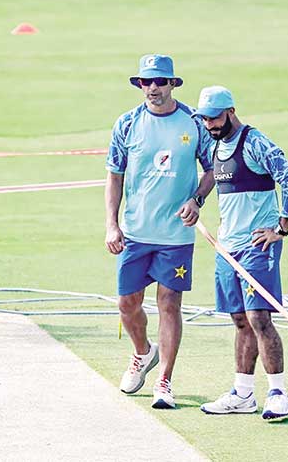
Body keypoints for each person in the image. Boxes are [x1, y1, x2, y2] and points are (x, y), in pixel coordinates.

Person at [105, 54, 215, 409]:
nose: (153, 88)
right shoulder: (126, 124)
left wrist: (197, 200)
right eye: (146, 82)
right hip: (136, 233)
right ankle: (142, 353)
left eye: (160, 82)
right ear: (140, 85)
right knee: (127, 304)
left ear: (172, 84)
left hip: (176, 236)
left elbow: (212, 169)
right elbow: (115, 175)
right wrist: (112, 223)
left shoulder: (194, 124)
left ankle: (164, 382)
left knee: (169, 304)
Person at [194, 85, 288, 420]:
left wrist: (281, 229)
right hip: (227, 248)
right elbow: (213, 181)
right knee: (239, 319)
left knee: (259, 318)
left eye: (214, 118)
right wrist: (196, 201)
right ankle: (242, 393)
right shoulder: (215, 146)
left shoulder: (254, 142)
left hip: (258, 246)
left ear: (230, 111)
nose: (209, 125)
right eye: (205, 119)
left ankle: (279, 393)